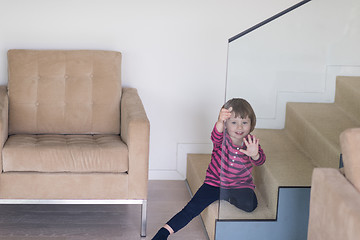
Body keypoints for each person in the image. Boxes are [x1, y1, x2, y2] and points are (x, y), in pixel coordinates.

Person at [151, 98, 266, 240]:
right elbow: (215, 134)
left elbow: (260, 161)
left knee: (251, 205)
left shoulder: (251, 142)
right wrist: (219, 121)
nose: (240, 127)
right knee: (192, 208)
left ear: (251, 124)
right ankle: (164, 232)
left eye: (244, 123)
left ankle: (228, 197)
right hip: (214, 184)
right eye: (234, 123)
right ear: (226, 124)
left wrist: (255, 154)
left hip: (239, 185)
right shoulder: (221, 138)